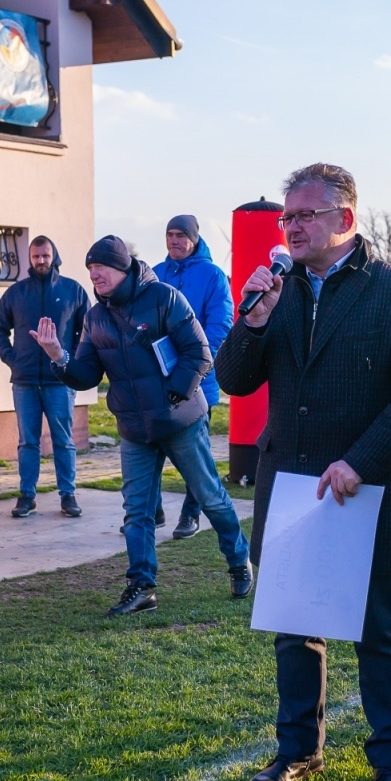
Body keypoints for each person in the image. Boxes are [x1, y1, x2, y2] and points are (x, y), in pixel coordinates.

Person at [216, 163, 391, 781]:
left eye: (304, 215)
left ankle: (389, 761)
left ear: (344, 219)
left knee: (378, 633)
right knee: (296, 627)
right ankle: (298, 750)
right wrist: (255, 319)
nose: (290, 226)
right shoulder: (278, 289)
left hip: (361, 490)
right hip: (290, 484)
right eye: (286, 216)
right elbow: (235, 380)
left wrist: (361, 461)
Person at [34, 236, 251, 615]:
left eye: (100, 267)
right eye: (90, 269)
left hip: (179, 420)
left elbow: (199, 354)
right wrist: (58, 357)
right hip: (134, 429)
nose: (94, 274)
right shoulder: (96, 317)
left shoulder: (164, 298)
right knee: (136, 512)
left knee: (211, 498)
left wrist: (171, 397)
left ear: (122, 267)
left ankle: (239, 562)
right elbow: (86, 375)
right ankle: (142, 587)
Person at [0, 235, 90, 519]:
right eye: (36, 257)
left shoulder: (73, 291)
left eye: (45, 256)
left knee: (64, 440)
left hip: (61, 381)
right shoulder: (16, 293)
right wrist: (11, 358)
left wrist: (73, 360)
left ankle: (68, 495)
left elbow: (90, 330)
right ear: (29, 259)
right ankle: (27, 496)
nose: (41, 261)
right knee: (27, 441)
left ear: (53, 255)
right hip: (25, 381)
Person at [152, 215, 234, 540]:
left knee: (194, 455)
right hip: (156, 380)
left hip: (197, 380)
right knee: (151, 448)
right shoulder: (156, 274)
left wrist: (196, 363)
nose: (174, 241)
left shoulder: (213, 276)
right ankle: (151, 510)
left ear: (194, 239)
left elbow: (220, 323)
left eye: (180, 235)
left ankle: (191, 513)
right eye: (169, 234)